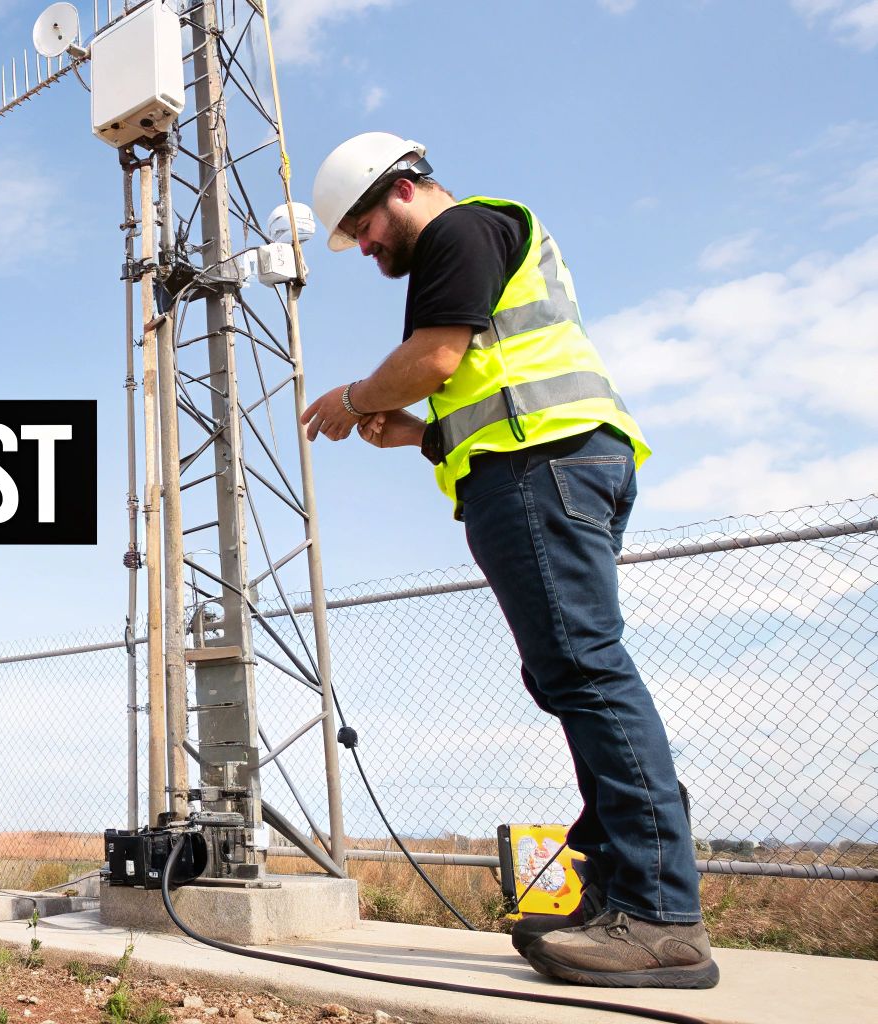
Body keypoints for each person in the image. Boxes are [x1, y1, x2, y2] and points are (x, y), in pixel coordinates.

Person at [298, 133, 716, 989]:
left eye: (366, 227)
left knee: (587, 673)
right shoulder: (487, 242)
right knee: (575, 673)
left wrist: (352, 400)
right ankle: (617, 899)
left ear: (402, 188)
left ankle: (662, 915)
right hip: (554, 463)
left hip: (541, 472)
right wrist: (419, 433)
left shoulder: (457, 233)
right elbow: (486, 389)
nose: (366, 246)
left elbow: (436, 359)